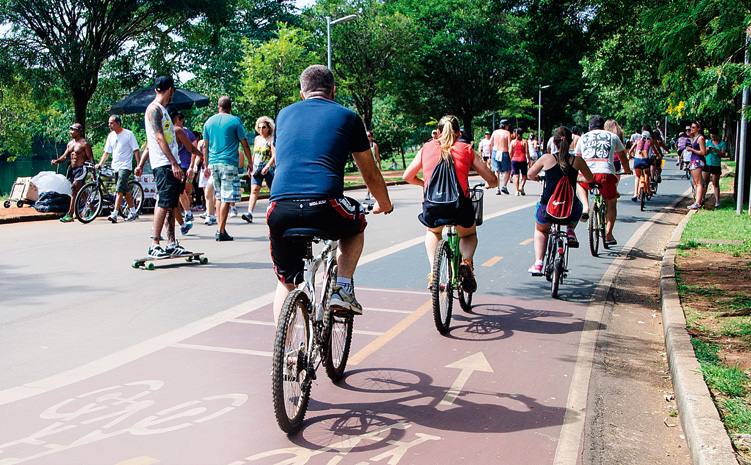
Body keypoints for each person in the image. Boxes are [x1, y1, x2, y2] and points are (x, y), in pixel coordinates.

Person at [268, 65, 394, 322]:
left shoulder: (283, 115)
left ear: (302, 93)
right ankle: (343, 288)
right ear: (333, 91)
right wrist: (384, 203)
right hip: (325, 204)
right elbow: (369, 172)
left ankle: (284, 351)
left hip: (280, 209)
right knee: (356, 218)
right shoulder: (348, 117)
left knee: (286, 281)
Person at [403, 115, 497, 290]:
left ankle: (433, 273)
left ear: (437, 133)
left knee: (433, 231)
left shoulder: (426, 148)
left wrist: (424, 183)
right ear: (459, 133)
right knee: (468, 235)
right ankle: (467, 263)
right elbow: (492, 178)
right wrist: (490, 184)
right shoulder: (466, 149)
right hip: (459, 207)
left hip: (433, 206)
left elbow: (407, 176)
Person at [134, 76, 192, 258]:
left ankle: (171, 243)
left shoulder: (163, 110)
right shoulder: (154, 110)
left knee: (171, 203)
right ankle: (155, 243)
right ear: (170, 90)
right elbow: (158, 139)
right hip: (164, 164)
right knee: (163, 202)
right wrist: (174, 163)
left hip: (169, 162)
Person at [527, 126, 594, 275]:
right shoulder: (578, 161)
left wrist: (538, 178)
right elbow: (590, 179)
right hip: (570, 212)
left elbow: (530, 174)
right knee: (579, 206)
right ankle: (570, 230)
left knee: (541, 230)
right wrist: (578, 177)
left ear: (554, 143)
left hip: (547, 210)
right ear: (571, 143)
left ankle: (538, 263)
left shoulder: (547, 158)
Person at [202, 96, 253, 241]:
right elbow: (245, 144)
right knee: (226, 196)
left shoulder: (208, 122)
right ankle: (221, 230)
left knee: (218, 196)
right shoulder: (235, 121)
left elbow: (205, 146)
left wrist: (206, 165)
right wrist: (249, 161)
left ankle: (220, 228)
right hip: (229, 163)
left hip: (213, 163)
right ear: (230, 108)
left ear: (218, 107)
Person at [576, 115, 632, 245]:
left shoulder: (583, 138)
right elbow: (622, 156)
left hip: (587, 175)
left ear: (589, 127)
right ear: (603, 126)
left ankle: (585, 206)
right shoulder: (612, 136)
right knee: (611, 204)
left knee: (580, 184)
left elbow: (578, 159)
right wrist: (627, 169)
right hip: (606, 175)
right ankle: (609, 234)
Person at [95, 115, 141, 222]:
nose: (109, 125)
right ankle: (133, 212)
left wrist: (139, 166)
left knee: (119, 190)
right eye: (109, 123)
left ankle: (115, 214)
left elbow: (136, 151)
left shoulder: (128, 134)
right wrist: (100, 163)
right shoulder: (111, 136)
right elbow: (106, 152)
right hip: (115, 167)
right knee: (125, 191)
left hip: (125, 166)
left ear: (118, 123)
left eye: (111, 123)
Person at [51, 122, 94, 222]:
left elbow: (91, 158)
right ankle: (92, 209)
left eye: (73, 130)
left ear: (79, 131)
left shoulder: (84, 144)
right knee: (81, 192)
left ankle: (70, 214)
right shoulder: (70, 144)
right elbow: (65, 157)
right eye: (70, 130)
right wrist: (56, 161)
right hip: (73, 170)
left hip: (81, 169)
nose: (71, 132)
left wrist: (93, 172)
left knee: (74, 189)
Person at [170, 108, 202, 234]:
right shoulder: (167, 131)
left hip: (185, 166)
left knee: (185, 190)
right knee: (181, 192)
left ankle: (187, 213)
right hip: (175, 166)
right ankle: (186, 214)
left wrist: (192, 165)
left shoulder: (187, 133)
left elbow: (193, 149)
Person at [242, 116, 275, 223]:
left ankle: (273, 210)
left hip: (268, 169)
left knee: (272, 190)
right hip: (257, 168)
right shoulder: (257, 139)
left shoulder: (272, 139)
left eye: (264, 127)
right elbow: (254, 153)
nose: (261, 129)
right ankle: (250, 213)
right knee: (254, 190)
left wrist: (268, 166)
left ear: (269, 127)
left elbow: (274, 155)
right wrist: (250, 165)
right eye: (260, 127)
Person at [628, 125, 656, 200]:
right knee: (647, 174)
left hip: (637, 160)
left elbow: (630, 151)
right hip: (645, 160)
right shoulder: (650, 142)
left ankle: (635, 194)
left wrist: (630, 156)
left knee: (637, 176)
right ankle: (648, 191)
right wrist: (658, 155)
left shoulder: (637, 140)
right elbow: (655, 151)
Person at [685, 121, 707, 210]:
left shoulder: (700, 138)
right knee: (694, 182)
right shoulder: (693, 138)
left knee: (698, 182)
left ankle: (698, 202)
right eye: (691, 127)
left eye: (694, 127)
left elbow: (703, 152)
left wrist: (692, 150)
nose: (692, 129)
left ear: (698, 128)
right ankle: (697, 200)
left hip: (698, 160)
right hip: (693, 161)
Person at [704, 128, 726, 208]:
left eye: (714, 137)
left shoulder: (722, 144)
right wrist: (707, 149)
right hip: (707, 163)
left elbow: (723, 154)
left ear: (717, 135)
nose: (713, 138)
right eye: (712, 136)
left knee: (715, 183)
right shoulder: (709, 142)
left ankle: (717, 200)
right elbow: (705, 153)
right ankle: (702, 198)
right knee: (705, 182)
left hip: (716, 165)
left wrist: (716, 150)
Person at [490, 119, 512, 194]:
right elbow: (510, 145)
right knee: (507, 170)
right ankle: (504, 186)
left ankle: (497, 188)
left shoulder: (495, 132)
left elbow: (490, 144)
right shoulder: (507, 133)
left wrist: (490, 155)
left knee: (497, 171)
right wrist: (511, 155)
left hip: (495, 151)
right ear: (506, 126)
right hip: (504, 152)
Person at [509, 128, 531, 195]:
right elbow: (527, 152)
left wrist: (511, 158)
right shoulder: (525, 141)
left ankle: (516, 191)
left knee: (516, 176)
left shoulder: (513, 142)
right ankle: (521, 187)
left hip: (514, 160)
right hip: (522, 159)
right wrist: (529, 161)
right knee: (524, 175)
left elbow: (510, 152)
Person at [364, 130, 380, 201]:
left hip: (373, 164)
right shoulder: (363, 145)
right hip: (366, 164)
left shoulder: (374, 145)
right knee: (368, 179)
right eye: (366, 136)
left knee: (372, 179)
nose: (368, 137)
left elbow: (377, 155)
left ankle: (370, 193)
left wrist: (379, 165)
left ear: (371, 137)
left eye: (369, 136)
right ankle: (370, 193)